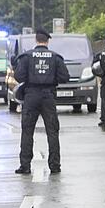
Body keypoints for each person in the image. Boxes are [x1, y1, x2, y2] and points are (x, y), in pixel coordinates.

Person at [15, 29, 70, 174]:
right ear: (47, 41)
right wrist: (51, 80)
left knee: (27, 131)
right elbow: (65, 77)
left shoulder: (26, 57)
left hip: (31, 96)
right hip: (48, 96)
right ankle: (55, 165)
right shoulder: (55, 57)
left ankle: (25, 165)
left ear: (36, 40)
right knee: (52, 131)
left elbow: (18, 76)